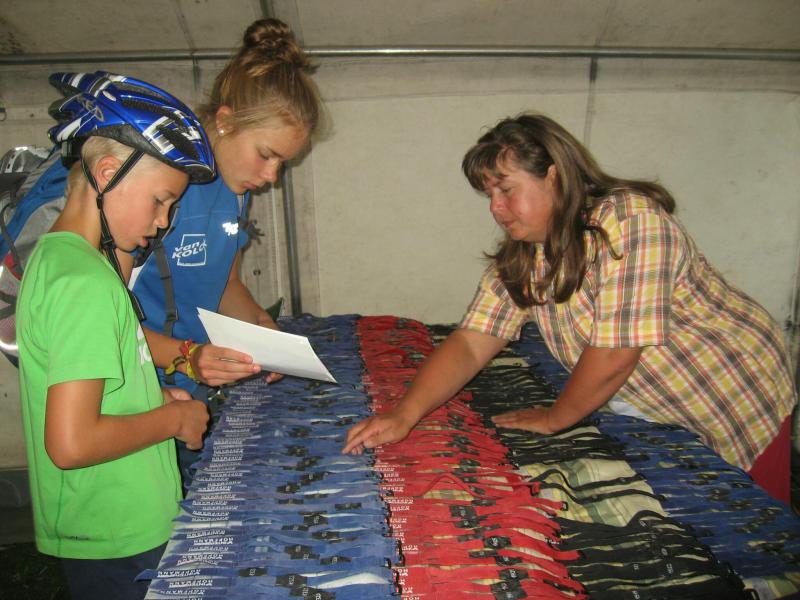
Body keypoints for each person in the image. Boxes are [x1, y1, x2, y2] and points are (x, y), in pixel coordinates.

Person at [343, 113, 797, 504]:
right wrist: (405, 414)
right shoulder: (527, 254)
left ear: (555, 176)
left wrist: (555, 418)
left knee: (758, 524)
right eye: (489, 196)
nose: (497, 209)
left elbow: (615, 354)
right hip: (656, 398)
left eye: (506, 190)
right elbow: (472, 341)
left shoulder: (631, 223)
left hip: (729, 385)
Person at [16, 71, 214, 599]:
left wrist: (153, 399)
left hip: (110, 527)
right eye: (160, 201)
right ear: (107, 173)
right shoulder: (86, 283)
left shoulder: (63, 261)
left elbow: (98, 392)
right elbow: (73, 442)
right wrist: (175, 419)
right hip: (118, 535)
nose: (163, 222)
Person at [120, 18, 321, 481]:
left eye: (283, 163)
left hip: (191, 378)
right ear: (226, 122)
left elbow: (224, 282)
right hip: (138, 385)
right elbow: (104, 322)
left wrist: (263, 329)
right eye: (266, 154)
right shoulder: (161, 188)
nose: (271, 177)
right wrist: (187, 355)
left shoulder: (235, 189)